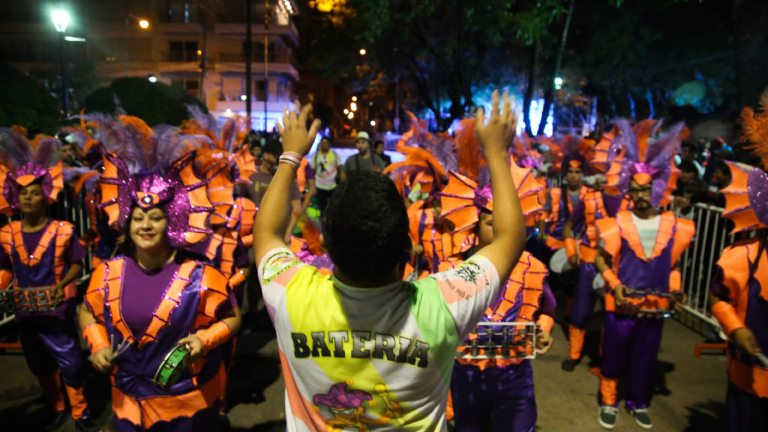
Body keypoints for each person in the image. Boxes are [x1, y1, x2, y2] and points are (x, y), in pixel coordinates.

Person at [254, 91, 526, 430]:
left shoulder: (289, 293)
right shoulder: (444, 304)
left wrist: (290, 156)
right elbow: (511, 238)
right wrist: (498, 153)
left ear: (324, 245)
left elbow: (266, 233)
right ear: (407, 244)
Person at [79, 147, 242, 432]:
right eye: (138, 218)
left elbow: (232, 318)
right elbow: (87, 313)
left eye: (155, 217)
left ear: (172, 221)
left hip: (188, 406)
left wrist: (204, 341)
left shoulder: (201, 274)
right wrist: (99, 346)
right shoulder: (106, 272)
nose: (145, 225)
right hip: (128, 404)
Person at [593, 122, 694, 430]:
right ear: (628, 190)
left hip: (654, 308)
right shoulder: (616, 222)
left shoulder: (674, 224)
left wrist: (675, 292)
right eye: (634, 190)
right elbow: (601, 259)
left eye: (645, 189)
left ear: (657, 189)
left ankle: (638, 402)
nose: (639, 195)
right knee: (612, 355)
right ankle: (609, 400)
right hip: (620, 306)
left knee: (645, 359)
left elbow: (672, 267)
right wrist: (615, 285)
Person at [439, 167, 556, 432]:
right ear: (476, 227)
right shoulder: (451, 270)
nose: (503, 229)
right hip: (466, 373)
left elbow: (546, 311)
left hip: (515, 372)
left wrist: (544, 330)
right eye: (492, 224)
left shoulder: (533, 267)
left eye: (508, 221)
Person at [0, 129, 97, 432]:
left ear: (45, 196)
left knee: (70, 361)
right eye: (22, 192)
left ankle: (80, 412)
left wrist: (61, 285)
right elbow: (5, 269)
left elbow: (76, 264)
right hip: (25, 312)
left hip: (57, 310)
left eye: (33, 192)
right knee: (38, 364)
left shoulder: (65, 230)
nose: (27, 197)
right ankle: (57, 406)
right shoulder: (5, 234)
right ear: (14, 196)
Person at [310, 136, 343, 211]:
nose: (325, 145)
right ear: (320, 144)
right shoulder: (316, 155)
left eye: (327, 143)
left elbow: (340, 167)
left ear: (329, 144)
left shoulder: (334, 154)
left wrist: (341, 180)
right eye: (323, 143)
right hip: (320, 186)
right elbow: (312, 169)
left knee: (333, 207)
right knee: (322, 207)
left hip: (333, 186)